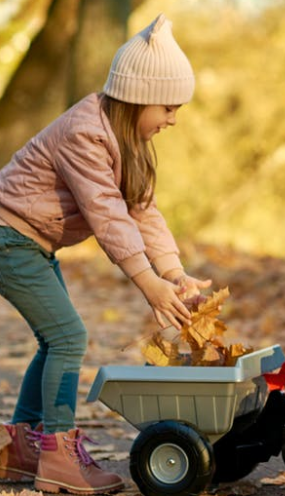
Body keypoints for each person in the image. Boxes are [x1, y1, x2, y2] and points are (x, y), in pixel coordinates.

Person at [0, 13, 211, 494]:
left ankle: (20, 449)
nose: (173, 119)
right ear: (137, 97)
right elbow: (107, 214)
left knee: (56, 338)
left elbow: (142, 210)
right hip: (8, 238)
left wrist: (173, 274)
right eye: (169, 107)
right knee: (68, 337)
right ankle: (56, 452)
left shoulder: (127, 141)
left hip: (30, 242)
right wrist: (145, 281)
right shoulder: (85, 132)